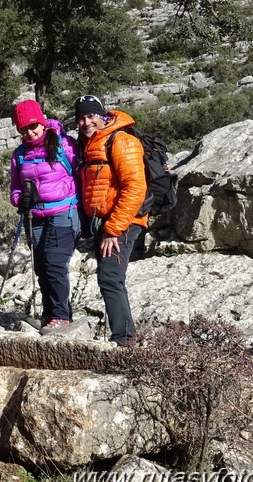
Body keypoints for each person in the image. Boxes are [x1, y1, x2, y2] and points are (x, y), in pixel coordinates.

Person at [74, 95, 147, 346]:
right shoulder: (89, 144)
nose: (86, 122)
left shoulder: (121, 140)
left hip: (123, 221)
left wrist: (114, 229)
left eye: (91, 116)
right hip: (104, 223)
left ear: (102, 116)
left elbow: (135, 187)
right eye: (81, 118)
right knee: (108, 278)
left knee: (110, 277)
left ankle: (124, 341)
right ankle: (124, 338)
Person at [9, 99, 80, 332]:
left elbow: (81, 174)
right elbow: (15, 189)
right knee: (40, 266)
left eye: (33, 126)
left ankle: (61, 316)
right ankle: (50, 315)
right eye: (24, 129)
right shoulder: (19, 155)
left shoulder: (64, 145)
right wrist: (21, 200)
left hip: (64, 212)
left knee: (54, 263)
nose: (29, 133)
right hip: (35, 217)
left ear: (42, 122)